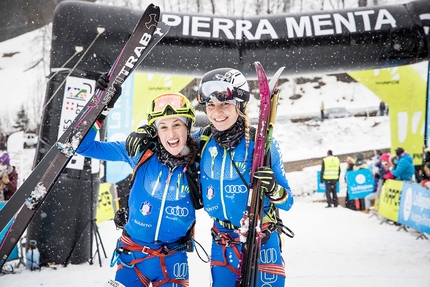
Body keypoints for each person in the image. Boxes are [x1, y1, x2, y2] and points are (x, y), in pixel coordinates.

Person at [126, 68, 294, 287]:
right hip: (222, 242)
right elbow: (171, 143)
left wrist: (273, 189)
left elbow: (287, 201)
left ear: (240, 105)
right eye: (211, 105)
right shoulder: (203, 140)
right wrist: (148, 132)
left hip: (261, 241)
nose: (217, 112)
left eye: (225, 104)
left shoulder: (259, 144)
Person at [77, 83, 199, 286]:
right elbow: (83, 146)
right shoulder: (140, 151)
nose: (171, 134)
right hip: (133, 255)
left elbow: (221, 127)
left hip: (173, 257)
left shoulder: (201, 153)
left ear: (188, 126)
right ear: (155, 130)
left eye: (177, 124)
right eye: (163, 127)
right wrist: (100, 108)